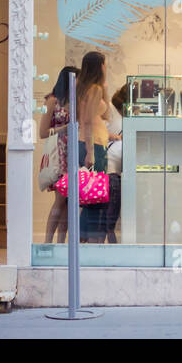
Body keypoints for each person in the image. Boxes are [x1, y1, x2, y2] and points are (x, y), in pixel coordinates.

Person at [74, 51, 110, 244]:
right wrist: (89, 152)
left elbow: (89, 119)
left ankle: (84, 239)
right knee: (94, 197)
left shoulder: (82, 87)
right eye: (104, 64)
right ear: (100, 66)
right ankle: (90, 240)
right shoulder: (95, 89)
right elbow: (88, 121)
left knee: (88, 196)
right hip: (93, 145)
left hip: (89, 141)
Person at [42, 65, 78, 244]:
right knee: (60, 199)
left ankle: (61, 243)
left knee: (67, 203)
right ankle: (48, 241)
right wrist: (66, 128)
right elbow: (42, 132)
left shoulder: (73, 101)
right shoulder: (52, 101)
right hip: (59, 153)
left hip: (72, 153)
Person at [103, 83, 126, 244]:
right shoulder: (110, 109)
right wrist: (115, 137)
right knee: (111, 208)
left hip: (117, 167)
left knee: (113, 208)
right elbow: (98, 131)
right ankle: (108, 241)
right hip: (109, 166)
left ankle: (110, 240)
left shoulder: (125, 114)